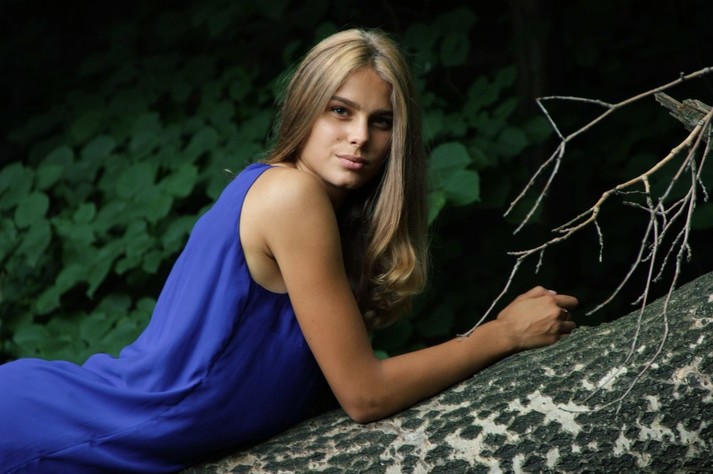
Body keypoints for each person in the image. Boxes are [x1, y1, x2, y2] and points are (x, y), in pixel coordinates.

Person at [0, 28, 577, 473]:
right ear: (305, 108)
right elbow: (365, 395)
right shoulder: (291, 196)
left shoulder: (325, 215)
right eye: (340, 111)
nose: (360, 137)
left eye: (381, 122)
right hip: (56, 436)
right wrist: (503, 334)